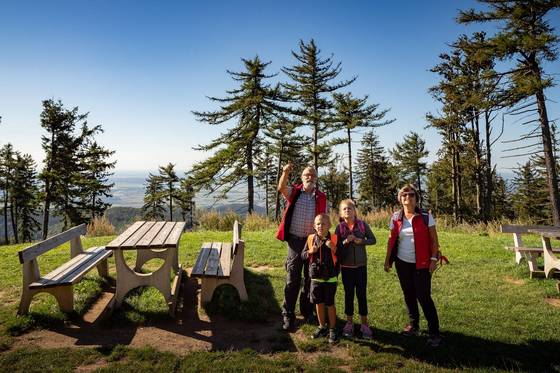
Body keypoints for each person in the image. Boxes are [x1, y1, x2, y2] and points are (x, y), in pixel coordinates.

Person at [384, 184, 442, 347]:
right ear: (400, 199)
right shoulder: (396, 217)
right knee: (408, 294)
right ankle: (413, 325)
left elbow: (434, 240)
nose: (407, 198)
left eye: (411, 195)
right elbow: (391, 240)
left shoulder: (425, 216)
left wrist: (433, 259)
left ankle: (434, 332)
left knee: (423, 297)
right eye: (404, 195)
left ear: (416, 198)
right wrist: (387, 259)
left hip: (422, 264)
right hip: (402, 263)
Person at [276, 162, 328, 331]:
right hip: (295, 241)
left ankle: (307, 312)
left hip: (312, 242)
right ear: (302, 177)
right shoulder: (295, 192)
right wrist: (285, 172)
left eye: (312, 175)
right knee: (293, 279)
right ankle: (288, 314)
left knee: (310, 277)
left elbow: (324, 219)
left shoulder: (321, 197)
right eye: (307, 175)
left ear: (316, 178)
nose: (309, 177)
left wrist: (323, 239)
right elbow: (281, 187)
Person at [335, 199, 376, 339]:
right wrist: (345, 241)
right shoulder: (339, 228)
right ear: (341, 212)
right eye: (345, 209)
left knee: (361, 295)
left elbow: (373, 240)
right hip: (346, 268)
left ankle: (364, 324)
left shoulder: (362, 225)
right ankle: (349, 323)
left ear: (355, 211)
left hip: (360, 267)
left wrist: (361, 241)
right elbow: (336, 247)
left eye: (350, 208)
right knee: (348, 295)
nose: (347, 211)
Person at [301, 213, 340, 344]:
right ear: (314, 226)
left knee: (330, 303)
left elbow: (341, 256)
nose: (321, 226)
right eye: (318, 223)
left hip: (330, 278)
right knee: (318, 303)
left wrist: (333, 247)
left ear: (329, 225)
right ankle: (322, 326)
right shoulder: (311, 239)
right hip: (316, 278)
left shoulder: (334, 238)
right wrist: (310, 251)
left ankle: (332, 329)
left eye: (324, 224)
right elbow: (303, 256)